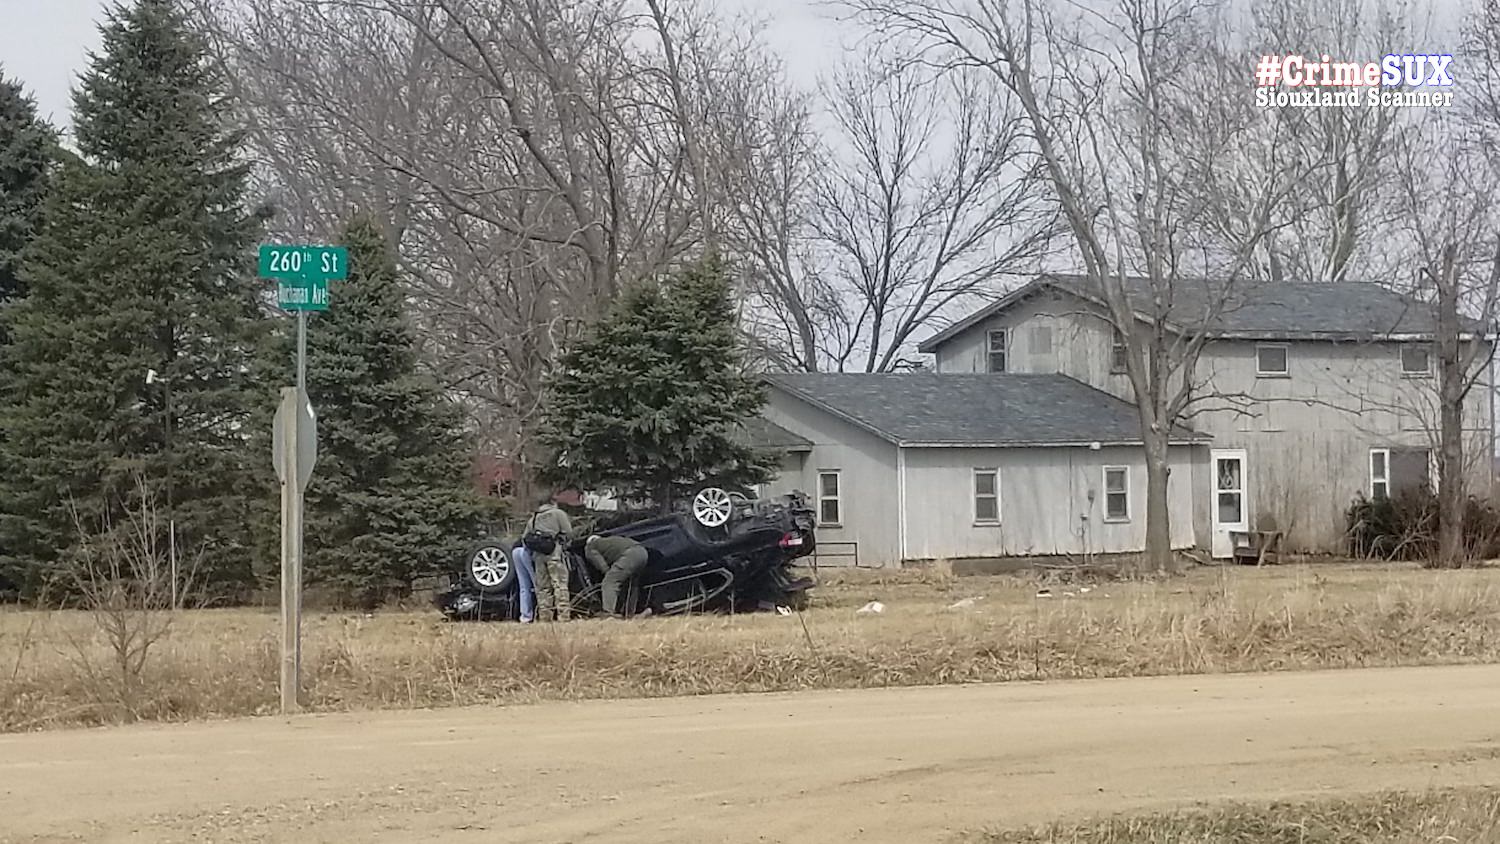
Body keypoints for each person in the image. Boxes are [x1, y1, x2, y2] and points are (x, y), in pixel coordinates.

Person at [522, 493, 573, 621]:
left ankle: (545, 616)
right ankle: (563, 615)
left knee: (543, 587)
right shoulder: (558, 514)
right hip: (554, 553)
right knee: (559, 584)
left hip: (538, 556)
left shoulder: (533, 518)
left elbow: (525, 538)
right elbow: (569, 532)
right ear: (552, 501)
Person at [584, 534, 650, 618]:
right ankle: (630, 613)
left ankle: (608, 612)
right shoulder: (610, 540)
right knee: (631, 584)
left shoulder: (591, 546)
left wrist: (607, 572)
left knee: (609, 581)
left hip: (630, 555)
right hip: (642, 552)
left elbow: (601, 565)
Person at [510, 536, 535, 623]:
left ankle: (525, 616)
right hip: (527, 551)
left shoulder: (532, 522)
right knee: (538, 585)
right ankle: (543, 613)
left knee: (524, 587)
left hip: (516, 549)